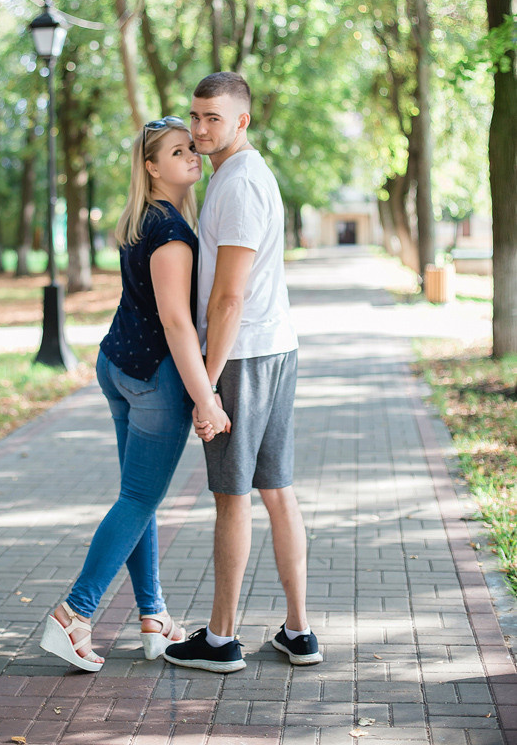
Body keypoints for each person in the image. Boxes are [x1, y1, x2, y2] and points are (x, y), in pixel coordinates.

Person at [40, 116, 230, 672]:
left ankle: (154, 617)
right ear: (151, 167)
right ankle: (74, 614)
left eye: (192, 148)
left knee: (137, 496)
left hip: (118, 366)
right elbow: (175, 322)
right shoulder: (170, 233)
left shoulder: (143, 219)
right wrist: (206, 397)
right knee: (139, 500)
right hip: (153, 379)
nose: (192, 156)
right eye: (177, 152)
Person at [164, 72, 322, 673]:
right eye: (196, 116)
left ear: (242, 121)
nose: (201, 129)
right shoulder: (237, 176)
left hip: (244, 357)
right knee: (277, 491)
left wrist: (207, 385)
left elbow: (229, 298)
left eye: (214, 119)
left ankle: (221, 639)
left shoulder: (239, 184)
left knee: (233, 499)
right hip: (273, 348)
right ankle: (298, 633)